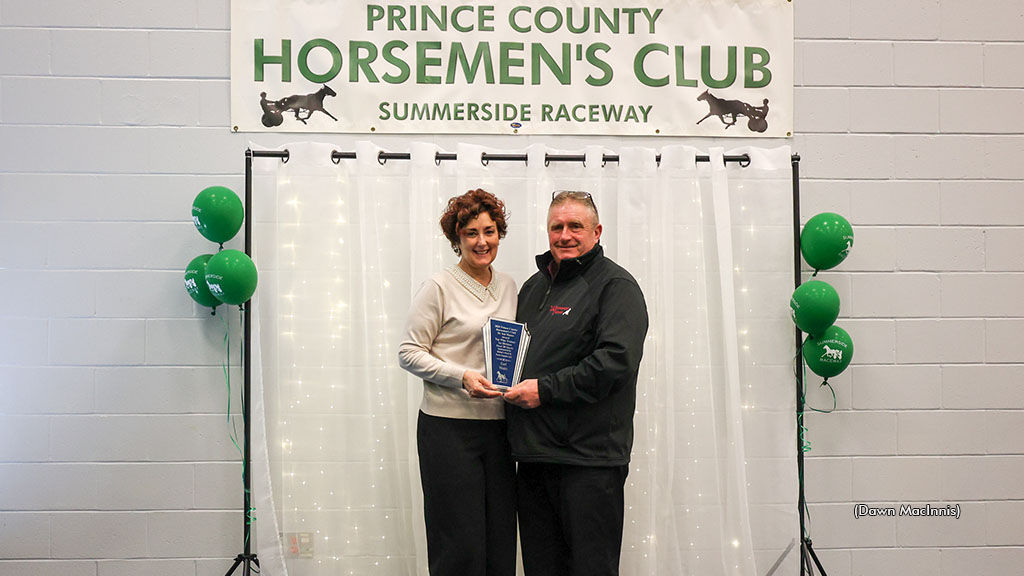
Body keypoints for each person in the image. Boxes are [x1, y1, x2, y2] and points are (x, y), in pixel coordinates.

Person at [504, 190, 649, 576]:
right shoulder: (533, 287)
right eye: (557, 227)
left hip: (589, 462)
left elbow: (614, 363)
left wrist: (544, 390)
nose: (564, 235)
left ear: (597, 232)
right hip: (535, 460)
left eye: (575, 226)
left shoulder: (616, 286)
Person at [398, 188, 517, 576]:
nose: (482, 241)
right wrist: (461, 377)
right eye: (471, 233)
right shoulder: (438, 287)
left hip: (500, 430)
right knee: (459, 545)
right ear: (457, 239)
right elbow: (408, 352)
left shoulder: (510, 286)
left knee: (500, 540)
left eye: (489, 231)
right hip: (448, 430)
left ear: (499, 233)